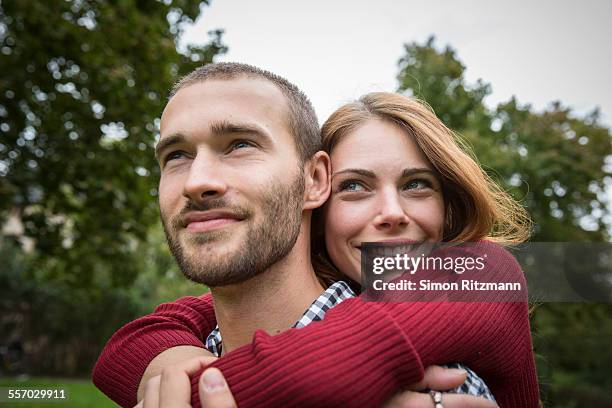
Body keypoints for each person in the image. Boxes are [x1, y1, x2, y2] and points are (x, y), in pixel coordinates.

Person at [93, 64, 538, 407]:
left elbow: (323, 370)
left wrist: (192, 391)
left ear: (312, 181)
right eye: (176, 155)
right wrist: (160, 363)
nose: (390, 213)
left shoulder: (443, 366)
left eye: (241, 144)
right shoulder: (196, 337)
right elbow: (129, 344)